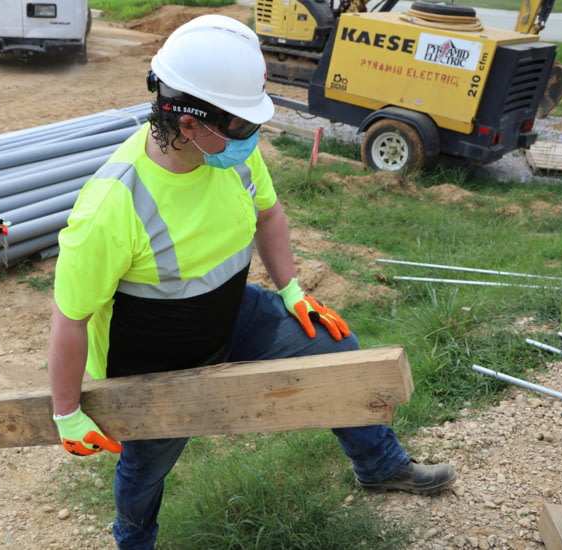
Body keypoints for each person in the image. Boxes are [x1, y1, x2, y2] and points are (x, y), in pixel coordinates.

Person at [47, 14, 456, 550]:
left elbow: (270, 215)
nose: (253, 134)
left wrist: (291, 291)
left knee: (333, 348)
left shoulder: (229, 158)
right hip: (151, 360)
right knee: (145, 471)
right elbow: (70, 318)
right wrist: (67, 411)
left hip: (230, 316)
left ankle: (379, 465)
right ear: (188, 123)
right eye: (242, 124)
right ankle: (133, 539)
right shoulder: (112, 207)